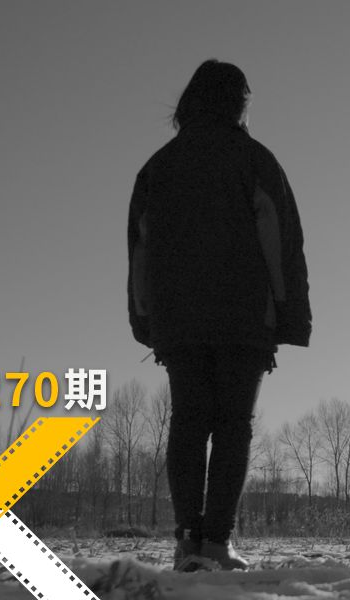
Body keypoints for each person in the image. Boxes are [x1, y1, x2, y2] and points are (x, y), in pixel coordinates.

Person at [127, 59, 311, 571]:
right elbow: (280, 243)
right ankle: (216, 542)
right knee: (233, 425)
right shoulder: (254, 159)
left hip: (179, 322)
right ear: (237, 103)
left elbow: (140, 251)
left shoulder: (158, 166)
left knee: (187, 422)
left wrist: (146, 317)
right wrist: (289, 312)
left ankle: (187, 542)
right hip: (242, 317)